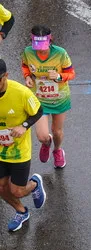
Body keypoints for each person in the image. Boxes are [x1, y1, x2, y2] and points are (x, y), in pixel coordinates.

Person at [0, 59, 46, 232]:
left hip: (19, 151)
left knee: (17, 190)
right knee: (1, 187)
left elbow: (39, 111)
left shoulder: (20, 93)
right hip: (0, 151)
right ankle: (21, 211)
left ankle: (34, 184)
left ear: (6, 76)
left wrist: (24, 126)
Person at [21, 25, 76, 168]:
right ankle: (46, 143)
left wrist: (59, 76)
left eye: (44, 45)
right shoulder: (28, 52)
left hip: (59, 98)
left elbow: (71, 74)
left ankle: (57, 150)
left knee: (57, 131)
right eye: (37, 46)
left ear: (50, 40)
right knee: (42, 136)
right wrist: (27, 76)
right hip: (40, 100)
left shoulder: (61, 53)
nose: (41, 49)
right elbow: (25, 66)